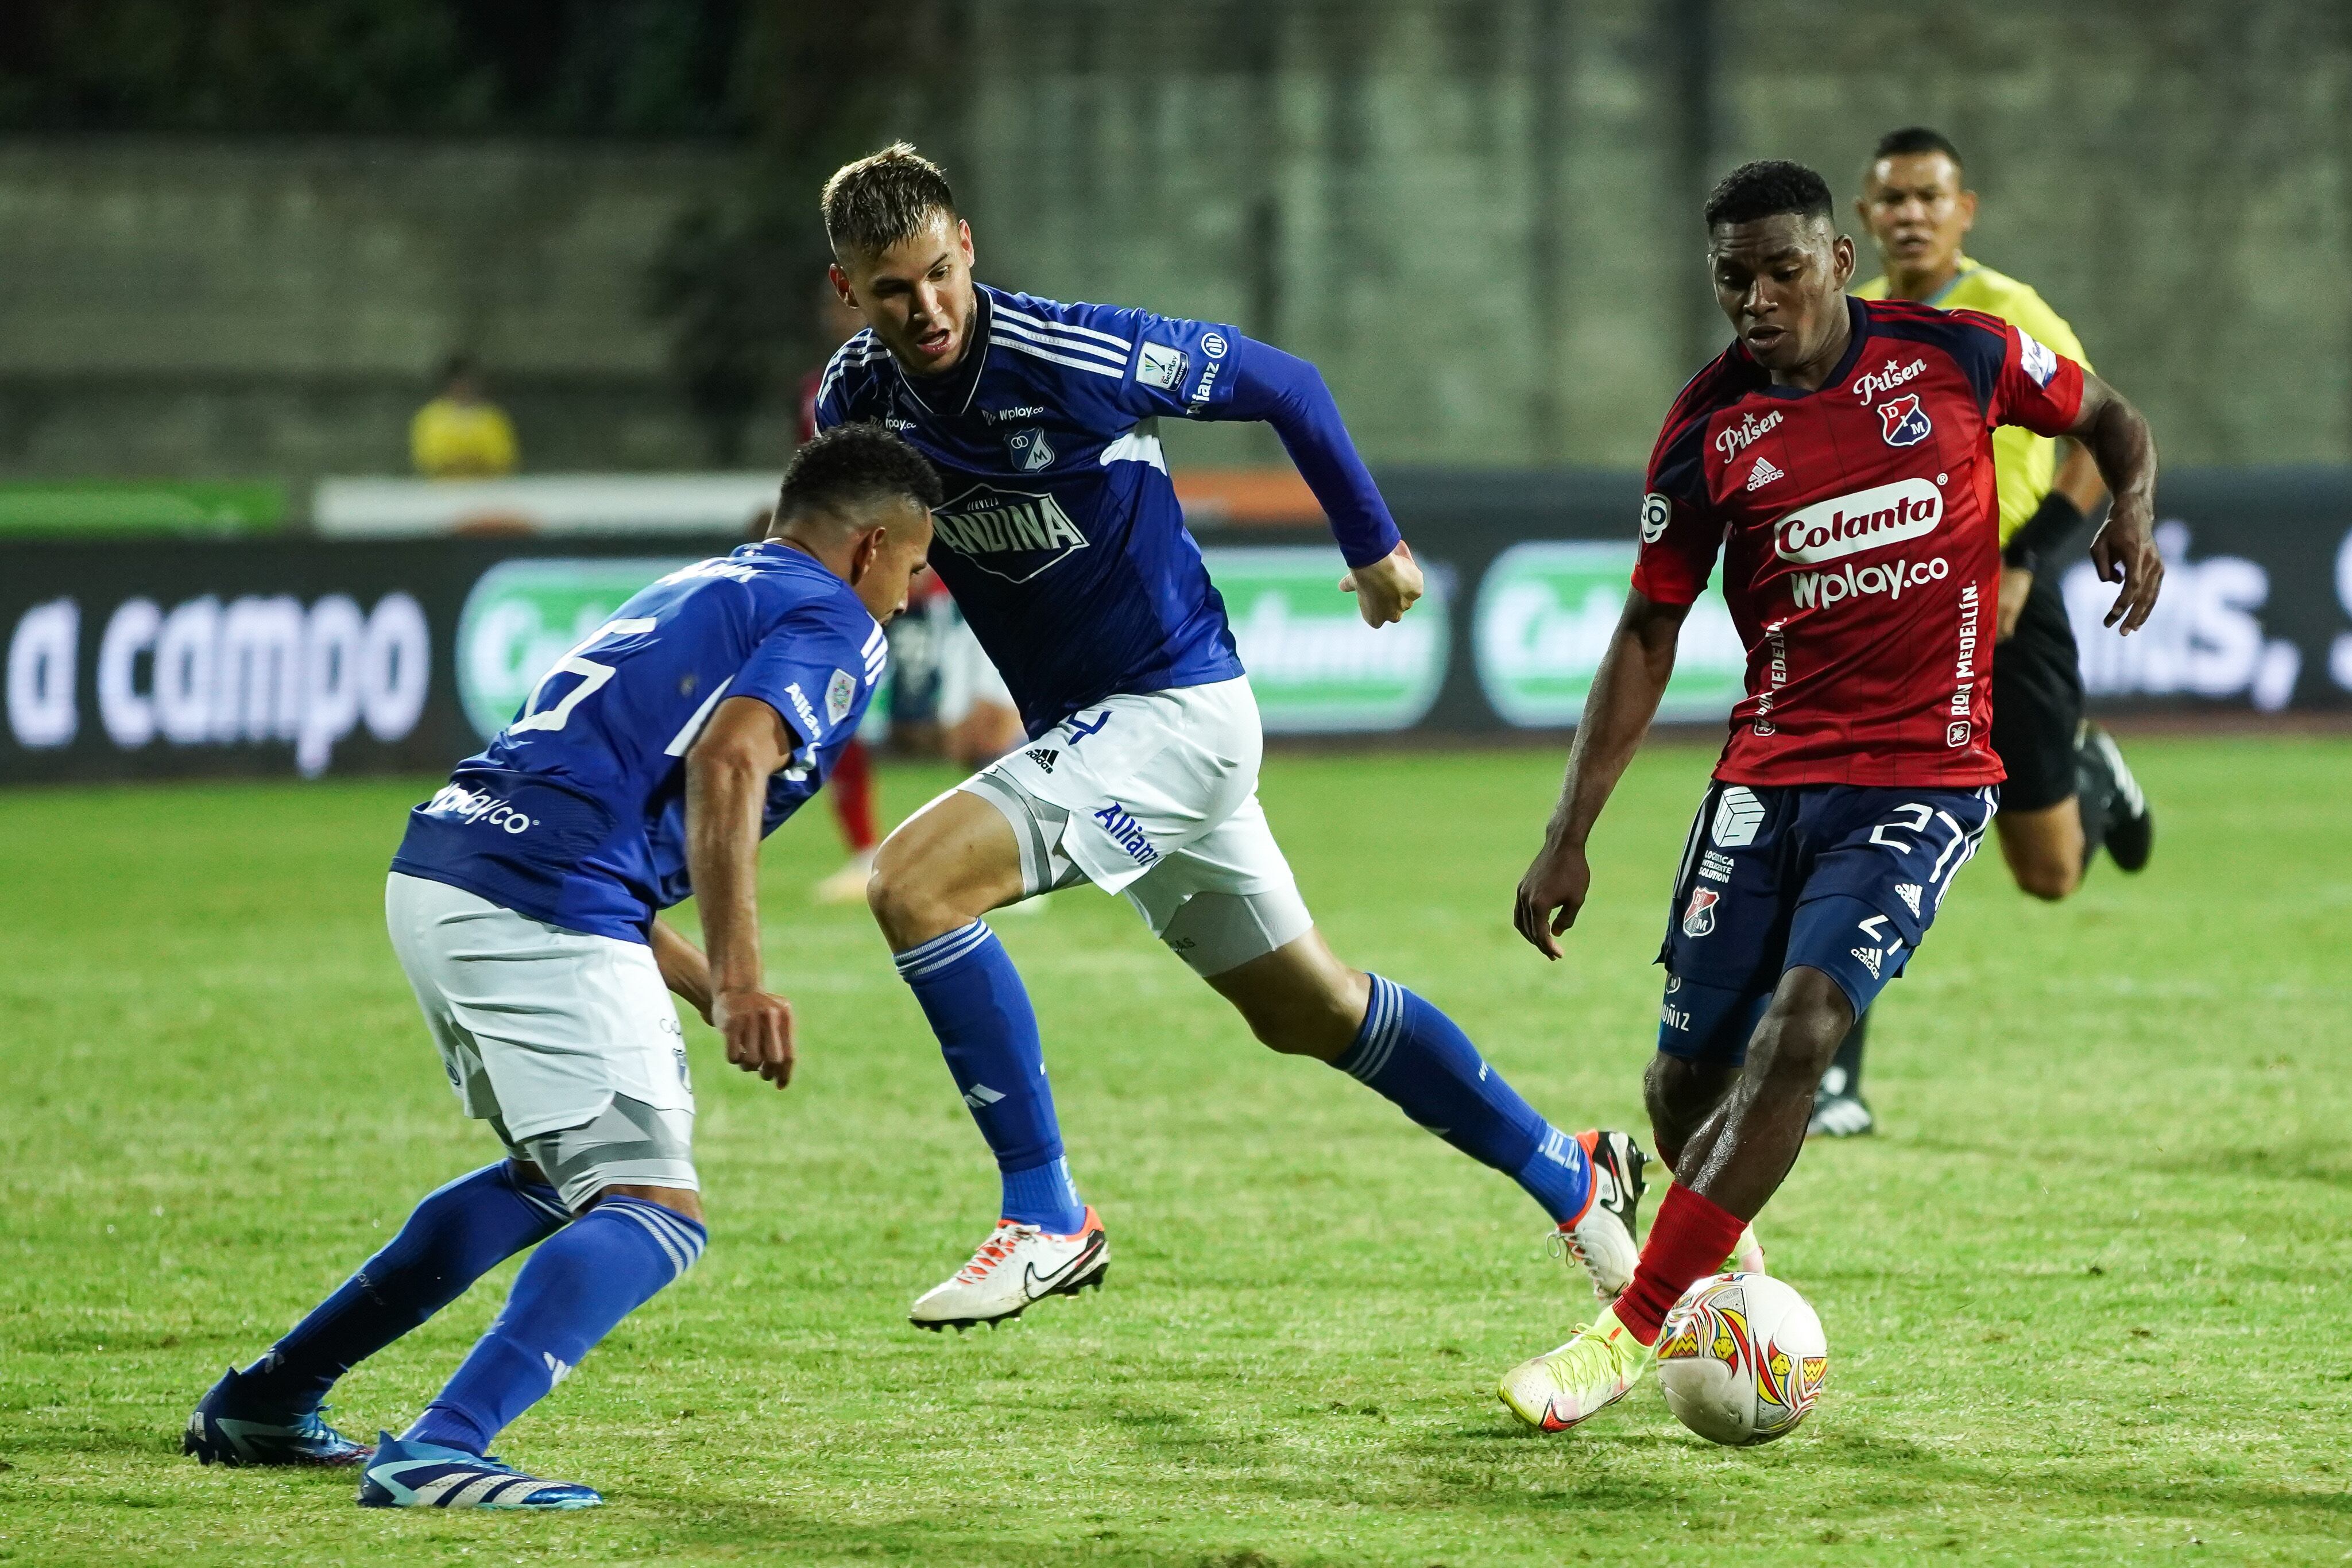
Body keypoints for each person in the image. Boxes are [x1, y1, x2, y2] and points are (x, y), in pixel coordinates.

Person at [814, 143, 1650, 1331]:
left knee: (913, 888)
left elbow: (1287, 384)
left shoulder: (1071, 352)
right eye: (894, 288)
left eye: (941, 272)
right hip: (1102, 740)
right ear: (848, 288)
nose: (927, 306)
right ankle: (1572, 1174)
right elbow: (859, 563)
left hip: (1175, 715)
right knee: (1309, 1010)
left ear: (969, 249)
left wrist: (1370, 545)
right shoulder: (853, 401)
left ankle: (1046, 1213)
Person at [1498, 160, 2160, 1434]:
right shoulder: (1704, 429)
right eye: (1729, 279)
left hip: (1925, 770)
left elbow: (2110, 419)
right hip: (1766, 770)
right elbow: (1646, 633)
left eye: (1778, 270)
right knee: (1681, 1083)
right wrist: (1566, 833)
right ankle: (1721, 1276)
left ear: (1837, 263)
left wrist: (2125, 509)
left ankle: (1624, 1332)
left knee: (1801, 1033)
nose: (1754, 298)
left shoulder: (1961, 356)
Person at [183, 425, 938, 1507]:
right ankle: (441, 1449)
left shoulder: (704, 584)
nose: (906, 599)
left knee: (550, 1180)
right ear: (870, 549)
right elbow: (731, 762)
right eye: (911, 571)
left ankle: (267, 1399)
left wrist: (695, 981)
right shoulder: (830, 618)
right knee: (653, 1206)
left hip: (445, 866)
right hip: (535, 903)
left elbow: (594, 815)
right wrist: (738, 977)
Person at [1805, 126, 2157, 1137]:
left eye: (1929, 195)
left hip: (2006, 598)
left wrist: (2026, 557)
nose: (1910, 213)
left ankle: (2093, 779)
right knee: (1851, 823)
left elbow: (2096, 434)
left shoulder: (2011, 314)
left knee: (2046, 874)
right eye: (1891, 199)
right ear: (1863, 221)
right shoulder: (1852, 321)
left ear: (1966, 210)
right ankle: (1831, 1080)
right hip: (1890, 609)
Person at [410, 354, 521, 479]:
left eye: (468, 382)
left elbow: (504, 459)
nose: (464, 387)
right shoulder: (430, 417)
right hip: (441, 493)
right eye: (459, 382)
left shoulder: (493, 417)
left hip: (487, 490)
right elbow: (429, 460)